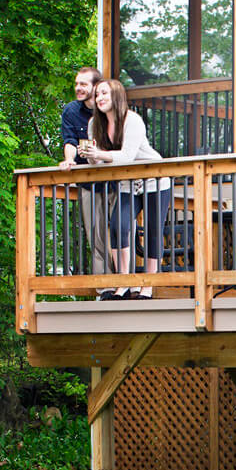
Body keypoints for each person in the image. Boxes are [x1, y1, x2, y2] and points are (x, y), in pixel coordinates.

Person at [84, 79, 171, 300]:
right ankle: (124, 283)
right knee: (118, 225)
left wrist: (100, 154)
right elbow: (98, 163)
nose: (99, 98)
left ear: (117, 96)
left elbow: (126, 156)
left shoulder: (132, 120)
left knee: (153, 231)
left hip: (154, 179)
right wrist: (90, 155)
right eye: (97, 94)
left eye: (104, 93)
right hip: (127, 182)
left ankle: (148, 286)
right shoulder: (95, 124)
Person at [58, 67, 110, 275]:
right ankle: (104, 285)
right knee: (95, 234)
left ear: (96, 86)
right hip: (88, 181)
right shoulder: (71, 111)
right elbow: (70, 141)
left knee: (120, 231)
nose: (78, 88)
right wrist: (69, 160)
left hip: (115, 179)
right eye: (76, 84)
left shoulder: (108, 107)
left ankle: (126, 282)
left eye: (83, 84)